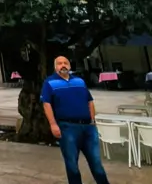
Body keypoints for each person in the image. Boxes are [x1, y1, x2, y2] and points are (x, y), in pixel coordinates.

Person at [41, 56, 111, 184]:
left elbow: (90, 101)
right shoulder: (49, 82)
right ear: (55, 67)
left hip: (88, 128)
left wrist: (92, 119)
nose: (63, 65)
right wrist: (53, 124)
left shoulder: (79, 81)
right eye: (59, 63)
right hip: (67, 128)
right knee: (72, 165)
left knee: (96, 163)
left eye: (65, 63)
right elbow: (47, 104)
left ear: (69, 66)